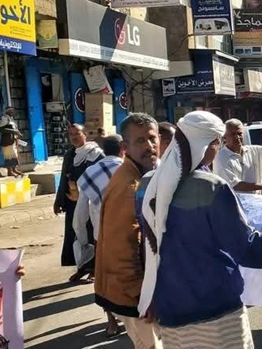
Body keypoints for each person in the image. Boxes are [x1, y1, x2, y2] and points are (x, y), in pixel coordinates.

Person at [136, 111, 262, 348]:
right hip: (218, 315)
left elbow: (147, 244)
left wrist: (150, 294)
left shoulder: (147, 184)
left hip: (171, 313)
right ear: (209, 143)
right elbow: (250, 249)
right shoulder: (211, 187)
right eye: (217, 142)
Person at [94, 113, 161, 349]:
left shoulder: (143, 175)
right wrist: (142, 296)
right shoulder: (129, 185)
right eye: (140, 141)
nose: (149, 146)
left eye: (152, 139)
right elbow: (121, 248)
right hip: (132, 294)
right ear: (125, 147)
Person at [72, 134, 124, 337]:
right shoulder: (130, 170)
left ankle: (112, 322)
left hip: (101, 236)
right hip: (130, 233)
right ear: (123, 148)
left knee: (106, 281)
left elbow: (80, 212)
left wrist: (83, 241)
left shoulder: (90, 173)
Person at [55, 124, 105, 267]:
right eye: (71, 134)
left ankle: (94, 266)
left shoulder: (95, 154)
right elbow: (64, 178)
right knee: (74, 233)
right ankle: (80, 265)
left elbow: (101, 177)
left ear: (85, 134)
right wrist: (59, 201)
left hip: (90, 202)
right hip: (72, 202)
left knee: (91, 233)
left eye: (77, 133)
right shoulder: (69, 155)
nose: (74, 137)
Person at [213, 119, 262, 195]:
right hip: (234, 202)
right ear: (225, 137)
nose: (237, 137)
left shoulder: (253, 151)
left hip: (255, 200)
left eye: (239, 133)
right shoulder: (221, 157)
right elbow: (235, 185)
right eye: (233, 134)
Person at [0, 107, 22, 177]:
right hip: (6, 140)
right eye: (10, 111)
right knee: (8, 156)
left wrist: (16, 134)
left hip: (12, 140)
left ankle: (14, 169)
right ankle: (9, 171)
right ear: (6, 111)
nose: (13, 112)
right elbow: (0, 129)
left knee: (14, 155)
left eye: (13, 111)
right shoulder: (3, 118)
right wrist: (14, 131)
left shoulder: (11, 119)